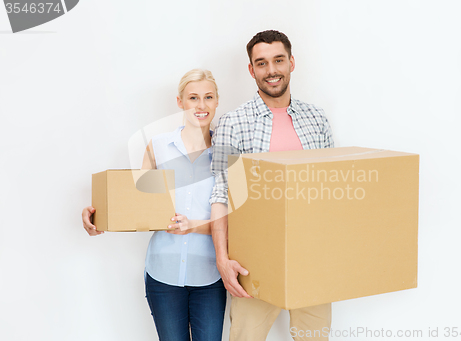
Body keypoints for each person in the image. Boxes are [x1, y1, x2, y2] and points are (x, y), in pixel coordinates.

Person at [82, 69, 226, 341]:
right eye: (193, 97)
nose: (201, 105)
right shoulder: (158, 147)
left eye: (208, 97)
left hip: (210, 275)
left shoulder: (227, 152)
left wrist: (194, 226)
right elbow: (138, 204)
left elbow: (237, 220)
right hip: (163, 273)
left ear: (218, 101)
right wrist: (96, 214)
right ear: (180, 102)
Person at [210, 30, 334, 341]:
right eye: (262, 63)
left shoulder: (316, 118)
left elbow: (332, 188)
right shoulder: (233, 122)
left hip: (312, 256)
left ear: (292, 63)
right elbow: (221, 193)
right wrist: (222, 259)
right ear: (251, 70)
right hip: (254, 261)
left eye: (278, 60)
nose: (271, 71)